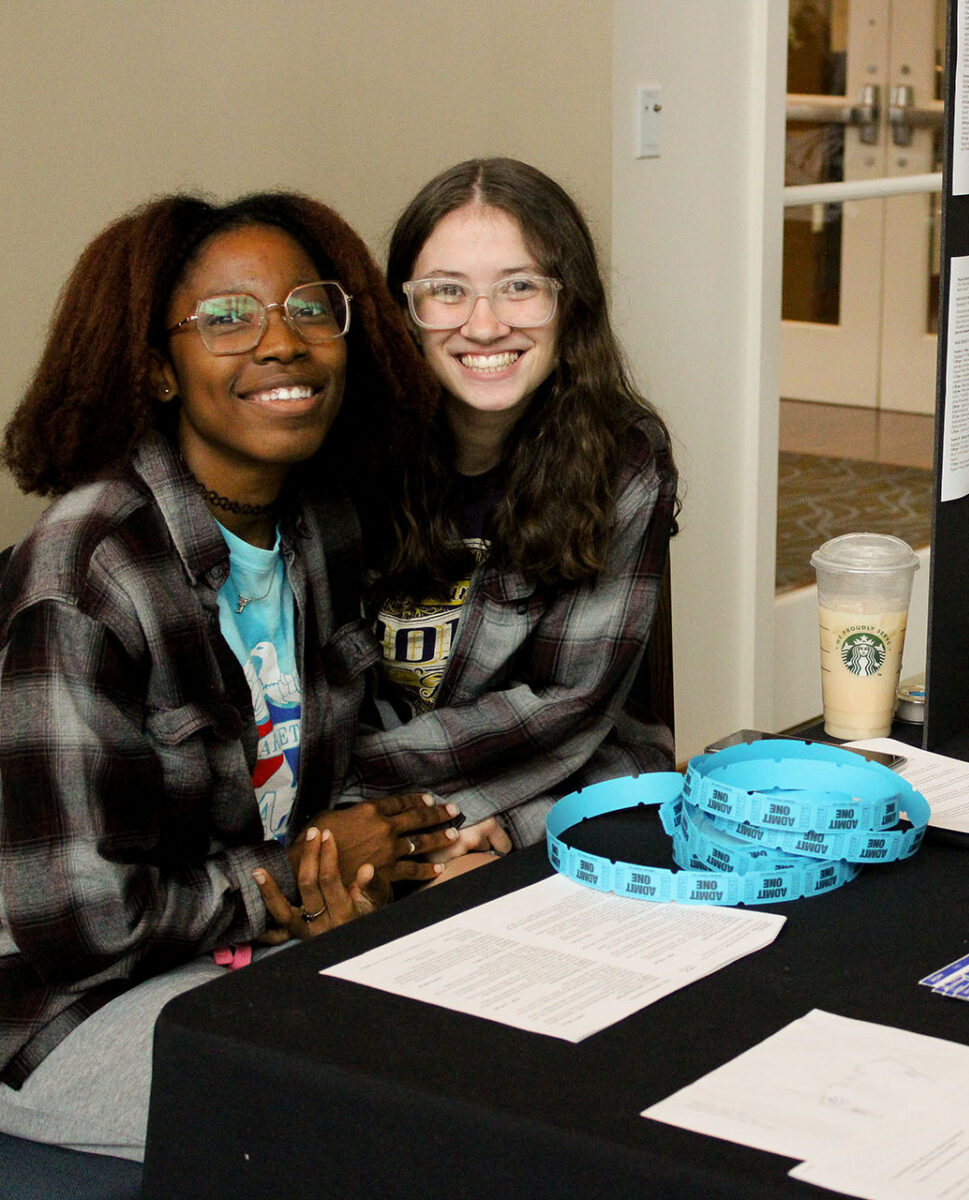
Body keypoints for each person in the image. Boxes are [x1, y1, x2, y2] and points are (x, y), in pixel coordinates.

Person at [0, 191, 458, 1161]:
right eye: (226, 319)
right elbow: (84, 922)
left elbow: (324, 784)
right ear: (158, 369)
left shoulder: (319, 526)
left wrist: (361, 862)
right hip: (61, 1012)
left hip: (247, 952)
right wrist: (299, 878)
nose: (280, 341)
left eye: (307, 309)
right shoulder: (85, 581)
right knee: (389, 1123)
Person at [352, 157, 678, 852]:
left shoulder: (626, 460)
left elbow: (568, 705)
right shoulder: (347, 454)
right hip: (364, 814)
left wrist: (459, 828)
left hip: (559, 788)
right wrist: (378, 826)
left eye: (520, 287)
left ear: (570, 307)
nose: (484, 324)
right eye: (446, 291)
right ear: (405, 314)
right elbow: (321, 692)